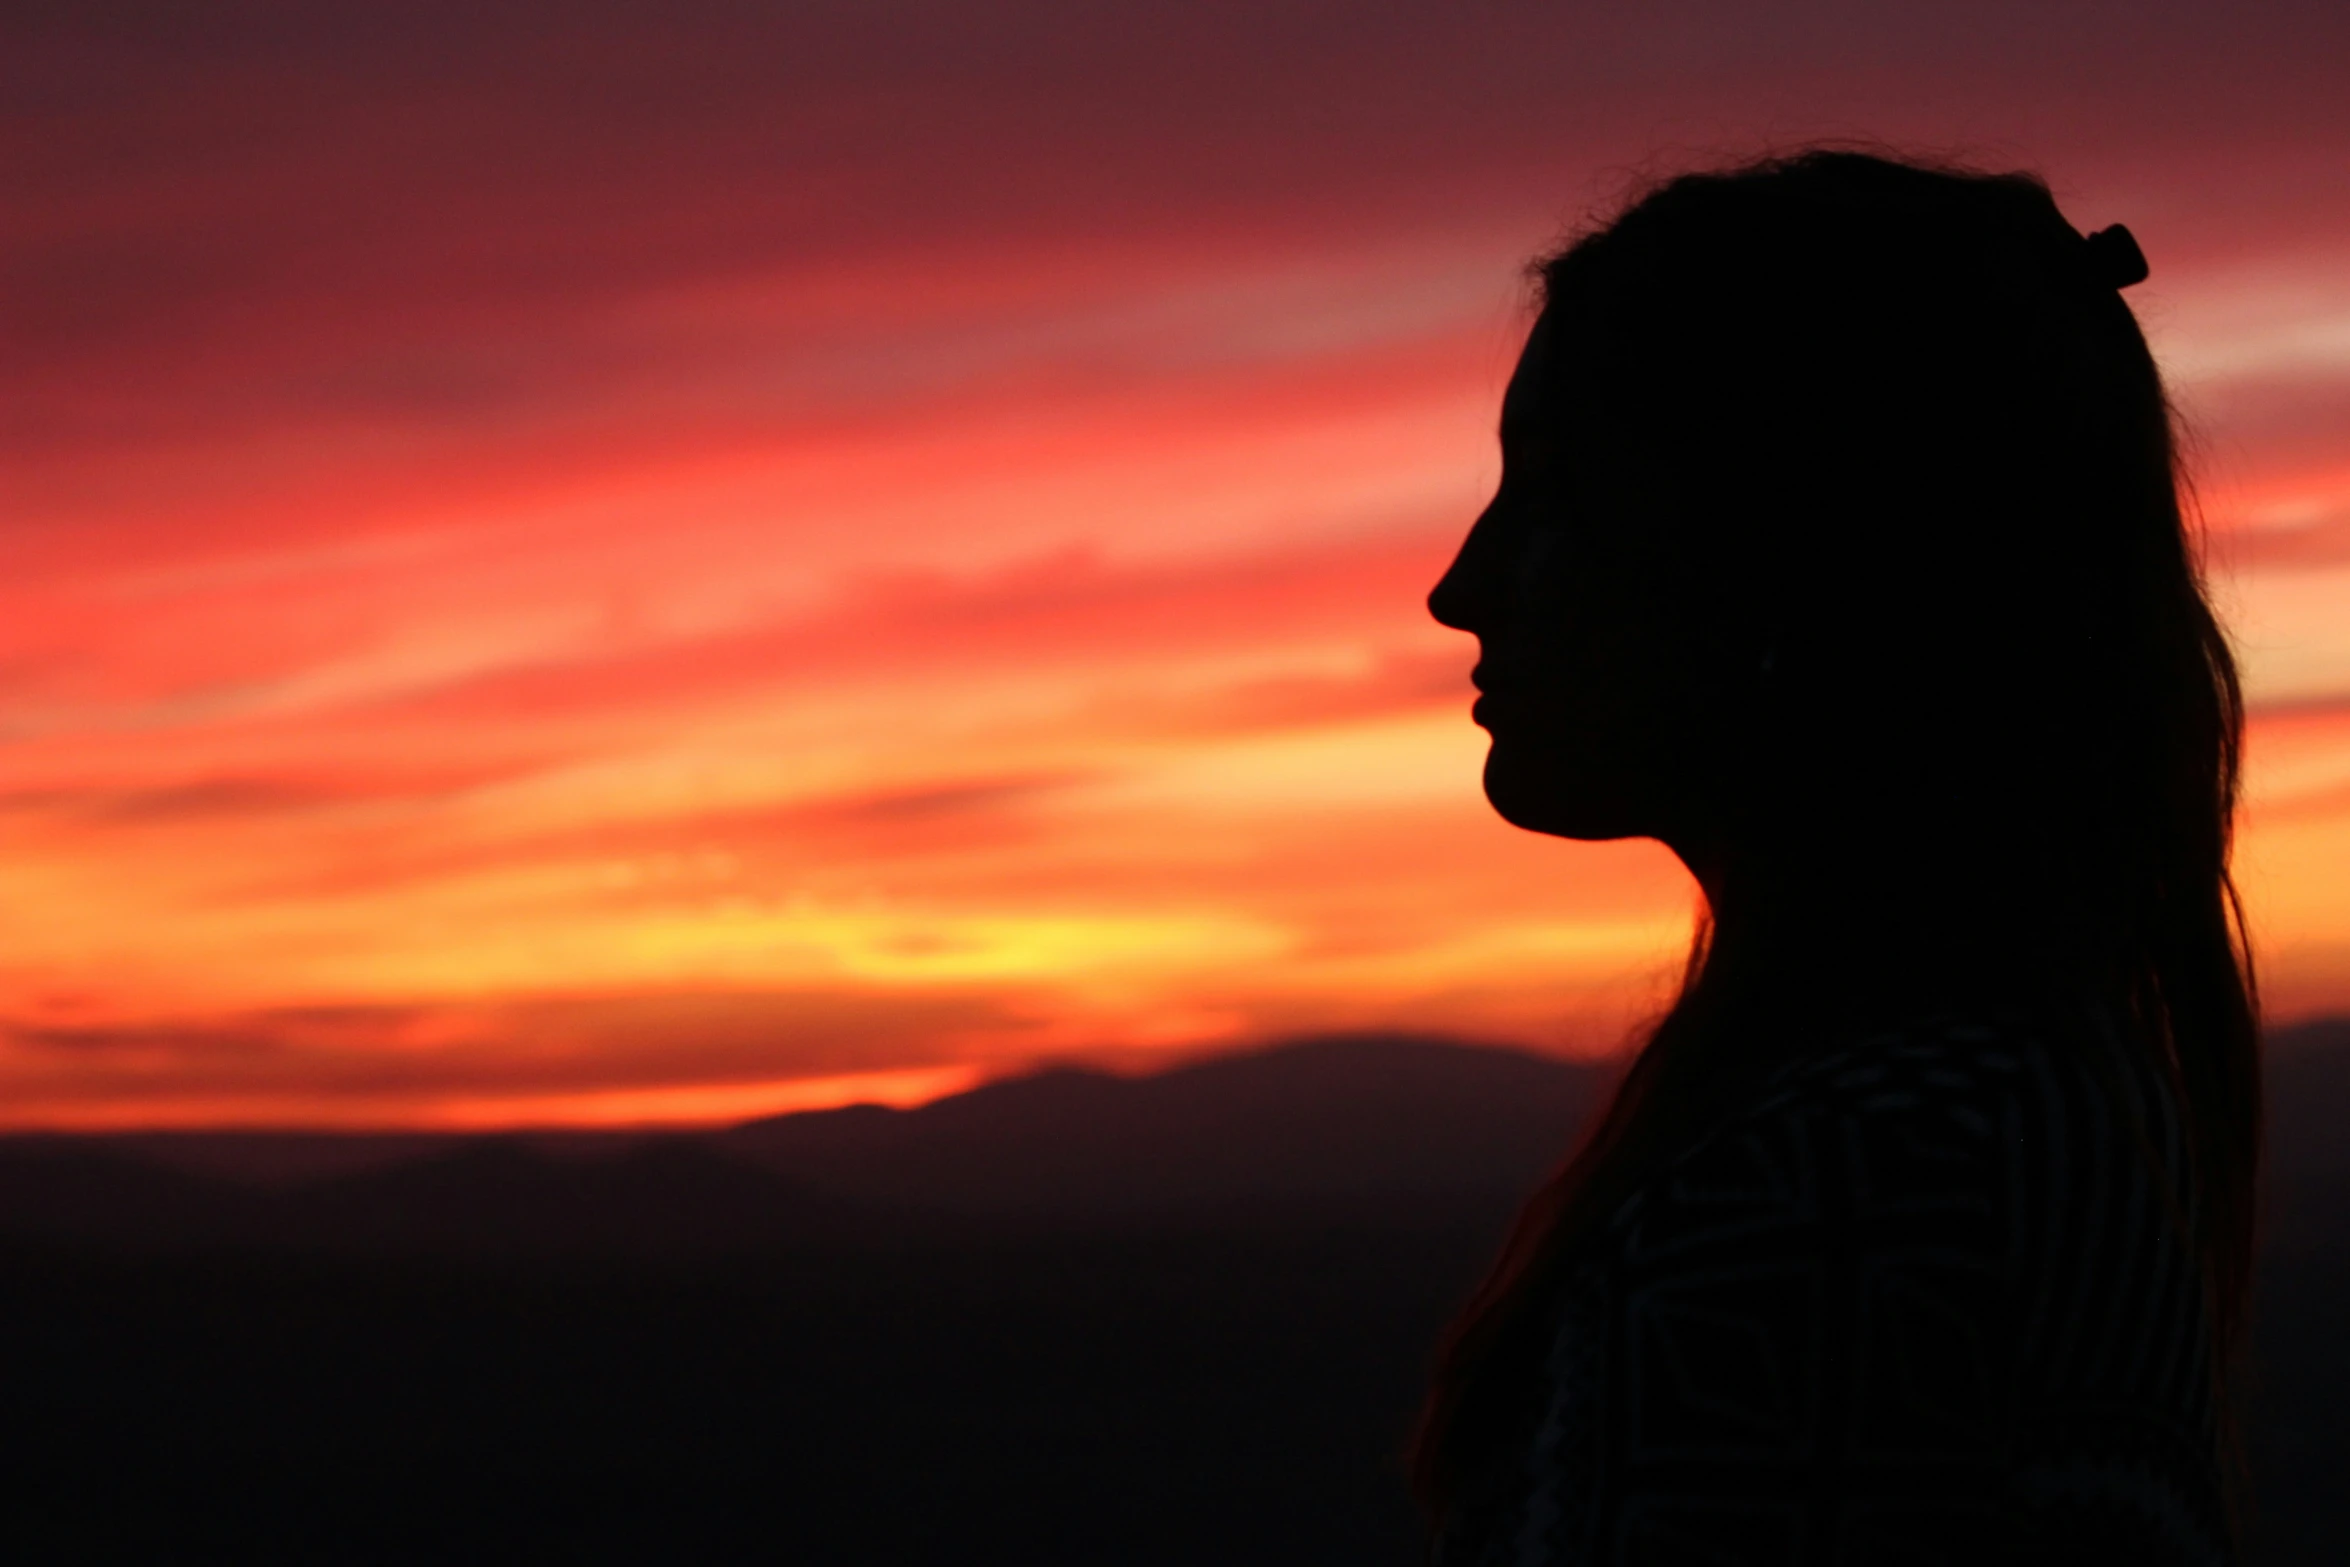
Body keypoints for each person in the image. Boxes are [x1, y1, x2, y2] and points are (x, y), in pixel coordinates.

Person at [1417, 150, 2259, 1566]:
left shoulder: (1848, 1183)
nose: (1461, 584)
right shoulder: (2008, 1110)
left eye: (1552, 496)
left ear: (1784, 555)